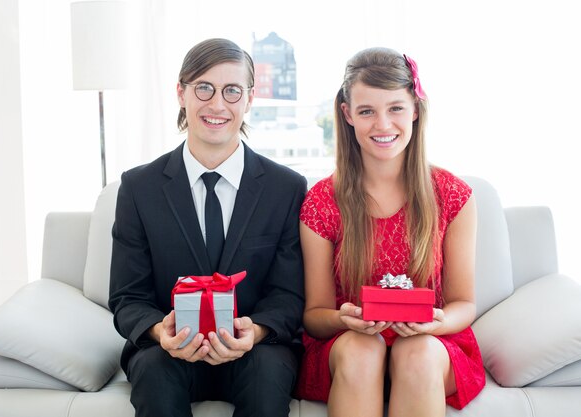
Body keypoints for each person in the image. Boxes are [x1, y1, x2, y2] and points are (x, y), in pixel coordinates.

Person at [108, 38, 307, 417]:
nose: (217, 104)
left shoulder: (287, 188)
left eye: (232, 91)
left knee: (267, 377)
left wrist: (258, 331)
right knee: (153, 374)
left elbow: (288, 294)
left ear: (249, 100)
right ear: (181, 93)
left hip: (255, 350)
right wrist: (158, 332)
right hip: (169, 351)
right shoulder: (138, 188)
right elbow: (126, 297)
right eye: (204, 88)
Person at [294, 47, 485, 416]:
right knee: (362, 350)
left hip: (429, 346)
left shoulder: (453, 195)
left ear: (415, 108)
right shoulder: (322, 201)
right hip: (350, 346)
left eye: (395, 108)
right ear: (348, 115)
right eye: (367, 111)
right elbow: (315, 315)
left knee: (417, 354)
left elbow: (464, 303)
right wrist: (344, 317)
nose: (383, 125)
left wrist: (437, 320)